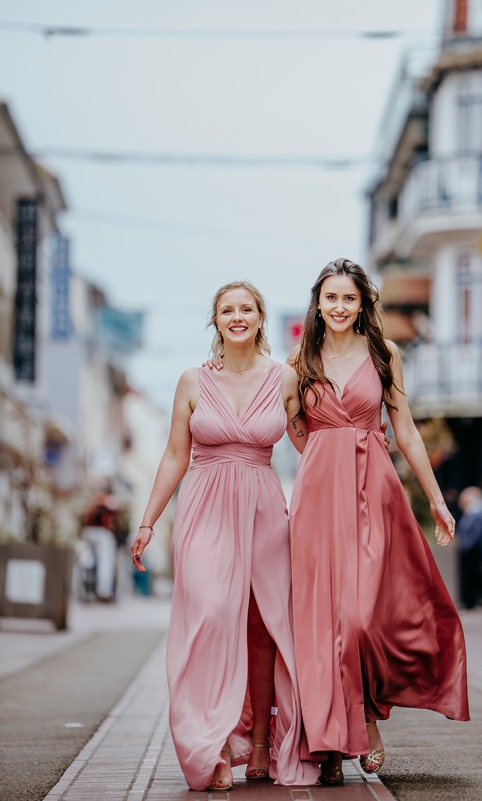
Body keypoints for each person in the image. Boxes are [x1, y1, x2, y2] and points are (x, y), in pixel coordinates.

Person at [287, 258, 469, 785]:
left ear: (363, 303)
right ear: (317, 304)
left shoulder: (385, 354)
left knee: (362, 618)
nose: (339, 307)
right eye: (330, 298)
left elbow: (406, 431)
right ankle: (329, 746)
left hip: (376, 493)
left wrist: (435, 498)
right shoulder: (301, 359)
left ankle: (365, 715)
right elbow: (294, 425)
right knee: (324, 622)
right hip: (320, 499)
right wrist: (325, 453)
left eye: (349, 298)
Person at [131, 282, 319, 792]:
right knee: (211, 615)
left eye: (247, 309)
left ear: (261, 318)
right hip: (205, 506)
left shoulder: (285, 379)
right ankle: (210, 743)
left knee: (267, 627)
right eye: (227, 310)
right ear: (215, 320)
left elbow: (311, 445)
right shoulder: (192, 380)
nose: (238, 317)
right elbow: (174, 454)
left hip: (263, 507)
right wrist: (148, 521)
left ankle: (261, 743)